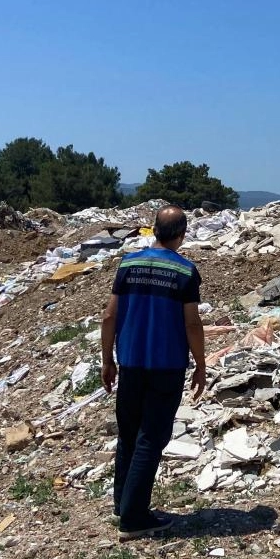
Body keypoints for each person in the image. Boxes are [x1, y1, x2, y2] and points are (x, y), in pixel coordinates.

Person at [100, 205, 207, 541]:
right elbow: (192, 323)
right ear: (182, 234)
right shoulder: (185, 271)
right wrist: (201, 363)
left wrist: (107, 360)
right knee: (151, 437)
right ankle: (134, 519)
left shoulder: (128, 264)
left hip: (130, 362)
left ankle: (122, 504)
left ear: (154, 229)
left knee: (129, 434)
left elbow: (109, 316)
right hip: (166, 365)